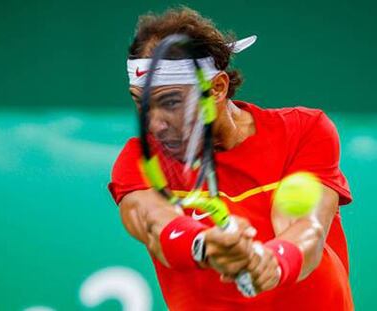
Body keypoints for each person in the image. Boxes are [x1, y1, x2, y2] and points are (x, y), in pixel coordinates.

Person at [108, 7, 353, 311]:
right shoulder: (139, 159)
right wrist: (204, 244)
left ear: (218, 88)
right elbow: (154, 224)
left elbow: (306, 226)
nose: (153, 123)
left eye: (170, 101)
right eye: (140, 101)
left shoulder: (304, 130)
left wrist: (274, 261)